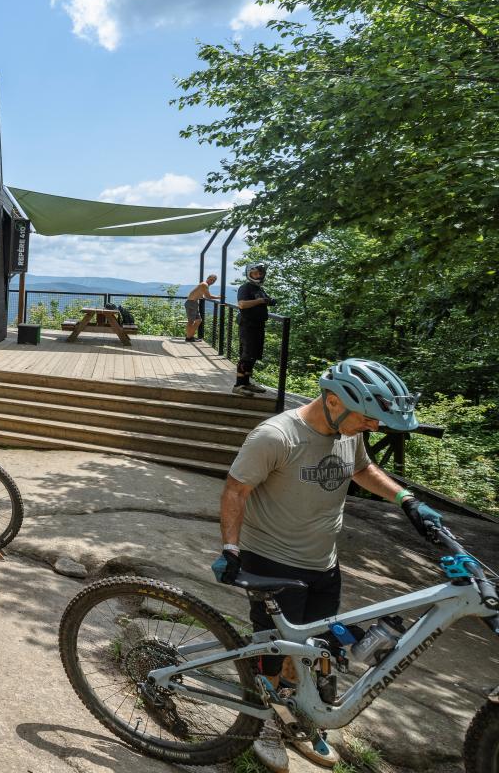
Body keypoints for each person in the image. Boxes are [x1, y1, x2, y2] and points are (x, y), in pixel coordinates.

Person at [211, 358, 442, 772]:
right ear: (333, 401)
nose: (373, 427)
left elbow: (362, 469)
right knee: (273, 651)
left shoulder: (348, 430)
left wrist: (406, 499)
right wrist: (231, 548)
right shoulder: (276, 436)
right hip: (273, 561)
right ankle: (263, 723)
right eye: (367, 418)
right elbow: (236, 490)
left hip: (323, 562)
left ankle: (297, 717)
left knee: (315, 649)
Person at [234, 264, 273, 394]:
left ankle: (247, 383)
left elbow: (263, 300)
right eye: (255, 273)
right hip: (248, 326)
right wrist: (260, 301)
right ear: (249, 274)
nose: (258, 276)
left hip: (258, 325)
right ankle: (238, 385)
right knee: (246, 355)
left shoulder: (259, 288)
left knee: (253, 356)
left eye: (259, 273)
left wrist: (269, 301)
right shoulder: (245, 287)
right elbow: (242, 304)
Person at [184, 273, 220, 342]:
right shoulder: (204, 284)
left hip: (193, 303)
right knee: (191, 321)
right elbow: (208, 296)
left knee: (198, 320)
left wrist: (201, 296)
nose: (212, 281)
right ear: (207, 278)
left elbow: (200, 293)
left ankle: (190, 336)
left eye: (214, 281)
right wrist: (219, 297)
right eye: (211, 279)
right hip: (191, 303)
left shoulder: (204, 285)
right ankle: (188, 338)